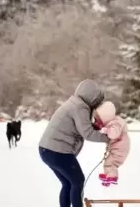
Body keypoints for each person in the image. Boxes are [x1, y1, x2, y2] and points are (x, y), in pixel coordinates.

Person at [39, 79, 109, 207]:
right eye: (96, 100)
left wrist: (98, 128)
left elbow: (82, 127)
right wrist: (110, 137)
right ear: (91, 96)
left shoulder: (74, 103)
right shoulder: (80, 107)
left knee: (68, 183)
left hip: (46, 150)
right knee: (77, 182)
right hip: (58, 152)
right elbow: (87, 133)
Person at [93, 101, 130, 187]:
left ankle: (112, 177)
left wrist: (105, 130)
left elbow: (113, 134)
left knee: (112, 162)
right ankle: (108, 177)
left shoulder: (115, 123)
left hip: (120, 147)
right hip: (118, 147)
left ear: (105, 117)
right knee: (109, 161)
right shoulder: (114, 122)